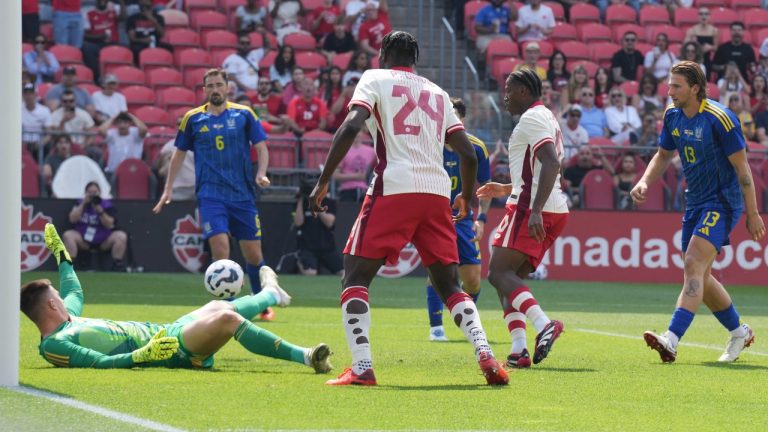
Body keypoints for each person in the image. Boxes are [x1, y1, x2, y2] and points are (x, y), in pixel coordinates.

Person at [309, 30, 508, 386]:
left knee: (354, 277)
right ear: (415, 59)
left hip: (394, 186)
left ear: (383, 53)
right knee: (450, 284)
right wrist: (464, 194)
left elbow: (352, 124)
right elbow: (466, 151)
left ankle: (362, 367)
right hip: (435, 194)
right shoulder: (438, 92)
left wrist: (324, 179)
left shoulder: (374, 78)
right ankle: (486, 355)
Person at [23, 223, 333, 372]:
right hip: (171, 351)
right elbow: (99, 363)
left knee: (218, 304)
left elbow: (74, 290)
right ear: (52, 304)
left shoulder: (69, 318)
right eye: (58, 297)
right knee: (227, 318)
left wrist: (62, 256)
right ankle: (307, 356)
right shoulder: (55, 344)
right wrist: (142, 356)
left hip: (165, 332)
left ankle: (269, 294)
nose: (64, 299)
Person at [633, 61, 765, 363]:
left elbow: (742, 168)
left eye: (676, 86)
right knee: (700, 276)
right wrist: (644, 182)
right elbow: (664, 155)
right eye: (669, 85)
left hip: (722, 202)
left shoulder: (720, 118)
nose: (669, 91)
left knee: (693, 262)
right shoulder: (672, 116)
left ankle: (671, 339)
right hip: (694, 202)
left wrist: (752, 213)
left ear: (695, 88)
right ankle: (739, 332)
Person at [153, 69, 275, 320]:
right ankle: (228, 309)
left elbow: (261, 148)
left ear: (228, 87)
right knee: (220, 248)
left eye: (219, 84)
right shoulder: (193, 118)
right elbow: (178, 155)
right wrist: (168, 189)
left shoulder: (244, 114)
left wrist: (261, 173)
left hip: (242, 195)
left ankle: (261, 302)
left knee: (254, 254)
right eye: (210, 86)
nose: (215, 89)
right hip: (211, 195)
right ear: (204, 90)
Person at [473, 69, 567, 369]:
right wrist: (506, 187)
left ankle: (543, 325)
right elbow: (540, 168)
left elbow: (551, 163)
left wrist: (535, 210)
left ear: (525, 91)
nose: (505, 96)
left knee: (498, 273)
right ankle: (518, 350)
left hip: (532, 208)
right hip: (546, 205)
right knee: (510, 281)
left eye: (509, 89)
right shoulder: (545, 117)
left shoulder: (532, 118)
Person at [425, 97, 492, 342]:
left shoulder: (476, 147)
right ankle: (436, 328)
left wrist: (482, 219)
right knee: (436, 271)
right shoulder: (430, 144)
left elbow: (485, 187)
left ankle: (463, 317)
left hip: (463, 218)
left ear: (461, 120)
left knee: (473, 280)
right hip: (434, 216)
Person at [62, 182, 129, 270]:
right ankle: (71, 264)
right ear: (85, 193)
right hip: (84, 240)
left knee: (121, 236)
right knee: (68, 235)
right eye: (90, 192)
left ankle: (117, 264)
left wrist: (99, 210)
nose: (92, 195)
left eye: (95, 192)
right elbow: (72, 219)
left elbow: (110, 224)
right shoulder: (79, 203)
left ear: (99, 193)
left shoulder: (106, 205)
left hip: (103, 241)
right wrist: (83, 204)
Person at [293, 179, 344, 276]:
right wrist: (301, 199)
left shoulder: (330, 202)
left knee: (343, 273)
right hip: (308, 247)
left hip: (327, 247)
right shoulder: (302, 203)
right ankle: (299, 264)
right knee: (311, 273)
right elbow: (298, 223)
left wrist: (316, 202)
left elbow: (329, 223)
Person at [82, 0, 121, 82]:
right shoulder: (89, 14)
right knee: (87, 48)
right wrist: (100, 37)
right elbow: (85, 35)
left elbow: (123, 17)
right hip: (97, 44)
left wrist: (122, 2)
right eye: (100, 1)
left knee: (127, 49)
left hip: (112, 43)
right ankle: (96, 77)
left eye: (105, 1)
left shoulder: (113, 11)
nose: (103, 2)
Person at [332, 132, 375, 201]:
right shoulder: (342, 151)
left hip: (366, 191)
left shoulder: (371, 152)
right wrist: (356, 176)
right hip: (347, 191)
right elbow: (335, 175)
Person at [684, 7, 717, 73]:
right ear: (698, 16)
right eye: (701, 14)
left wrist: (710, 47)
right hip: (694, 59)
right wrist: (693, 43)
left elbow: (716, 48)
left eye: (706, 14)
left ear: (709, 16)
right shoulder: (692, 30)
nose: (703, 16)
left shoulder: (714, 31)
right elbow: (685, 46)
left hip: (706, 60)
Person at [22, 82, 53, 151]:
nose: (28, 96)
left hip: (38, 143)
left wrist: (41, 143)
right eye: (26, 94)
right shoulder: (18, 110)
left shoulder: (44, 110)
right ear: (23, 96)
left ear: (35, 95)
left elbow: (49, 133)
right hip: (21, 143)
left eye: (31, 93)